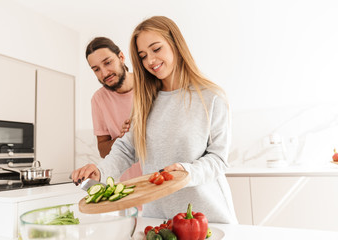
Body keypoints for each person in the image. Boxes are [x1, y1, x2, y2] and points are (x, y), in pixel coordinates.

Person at [73, 16, 238, 224]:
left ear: (175, 44)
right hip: (157, 219)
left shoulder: (211, 97)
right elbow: (126, 150)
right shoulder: (145, 101)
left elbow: (218, 158)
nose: (150, 60)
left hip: (206, 217)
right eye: (143, 56)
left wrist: (186, 171)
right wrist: (100, 172)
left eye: (156, 49)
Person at [85, 37, 141, 181]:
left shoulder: (148, 85)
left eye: (108, 62)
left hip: (161, 181)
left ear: (121, 57)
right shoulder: (98, 99)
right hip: (129, 187)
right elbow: (103, 150)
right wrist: (122, 139)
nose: (104, 73)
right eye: (96, 69)